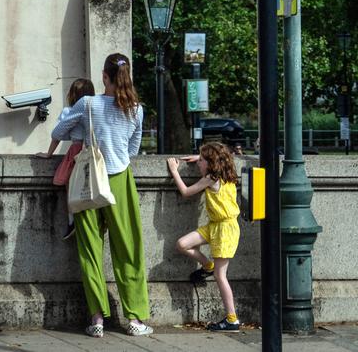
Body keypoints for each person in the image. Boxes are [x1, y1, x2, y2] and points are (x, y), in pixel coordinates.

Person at [51, 53, 152, 338]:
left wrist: (84, 126)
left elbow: (59, 130)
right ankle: (134, 318)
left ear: (104, 77)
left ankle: (97, 319)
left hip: (88, 182)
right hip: (120, 180)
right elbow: (133, 150)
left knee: (90, 250)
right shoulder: (136, 109)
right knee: (128, 248)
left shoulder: (88, 104)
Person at [166, 143, 241, 333]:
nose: (198, 164)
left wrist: (175, 170)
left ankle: (232, 319)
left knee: (220, 276)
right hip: (214, 226)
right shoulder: (226, 174)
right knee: (182, 244)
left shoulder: (210, 178)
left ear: (210, 163)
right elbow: (219, 155)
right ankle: (207, 265)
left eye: (201, 161)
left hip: (225, 229)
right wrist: (197, 157)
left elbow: (185, 192)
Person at [36, 77, 95, 241]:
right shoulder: (95, 109)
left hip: (76, 150)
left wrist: (48, 154)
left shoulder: (69, 111)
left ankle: (72, 221)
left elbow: (57, 135)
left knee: (71, 187)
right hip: (93, 151)